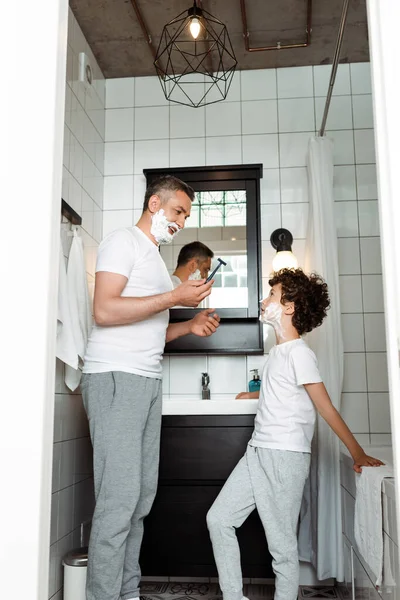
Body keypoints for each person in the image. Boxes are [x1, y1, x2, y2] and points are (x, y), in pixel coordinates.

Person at [81, 175, 220, 600]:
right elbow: (104, 310)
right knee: (119, 501)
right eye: (177, 211)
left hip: (145, 380)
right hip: (115, 378)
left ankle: (127, 593)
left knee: (140, 501)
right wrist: (174, 299)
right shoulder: (122, 241)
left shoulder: (155, 262)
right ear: (154, 203)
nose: (181, 221)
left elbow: (150, 331)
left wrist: (189, 325)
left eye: (186, 215)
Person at [206, 268, 383, 600]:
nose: (264, 300)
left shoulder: (301, 353)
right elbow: (285, 391)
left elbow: (325, 406)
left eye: (271, 295)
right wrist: (255, 395)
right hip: (257, 453)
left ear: (289, 307)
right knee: (218, 519)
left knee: (282, 549)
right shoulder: (278, 353)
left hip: (285, 459)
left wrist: (357, 452)